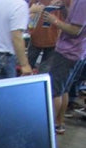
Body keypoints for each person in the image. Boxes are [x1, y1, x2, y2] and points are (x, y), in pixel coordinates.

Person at [43, 0, 86, 134]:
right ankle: (59, 123)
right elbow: (75, 21)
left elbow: (75, 30)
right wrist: (64, 8)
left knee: (55, 91)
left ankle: (48, 127)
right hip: (77, 52)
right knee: (64, 90)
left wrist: (54, 20)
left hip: (68, 52)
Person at [26, 0, 68, 71]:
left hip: (54, 41)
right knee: (27, 68)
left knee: (44, 72)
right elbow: (29, 14)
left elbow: (68, 16)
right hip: (35, 38)